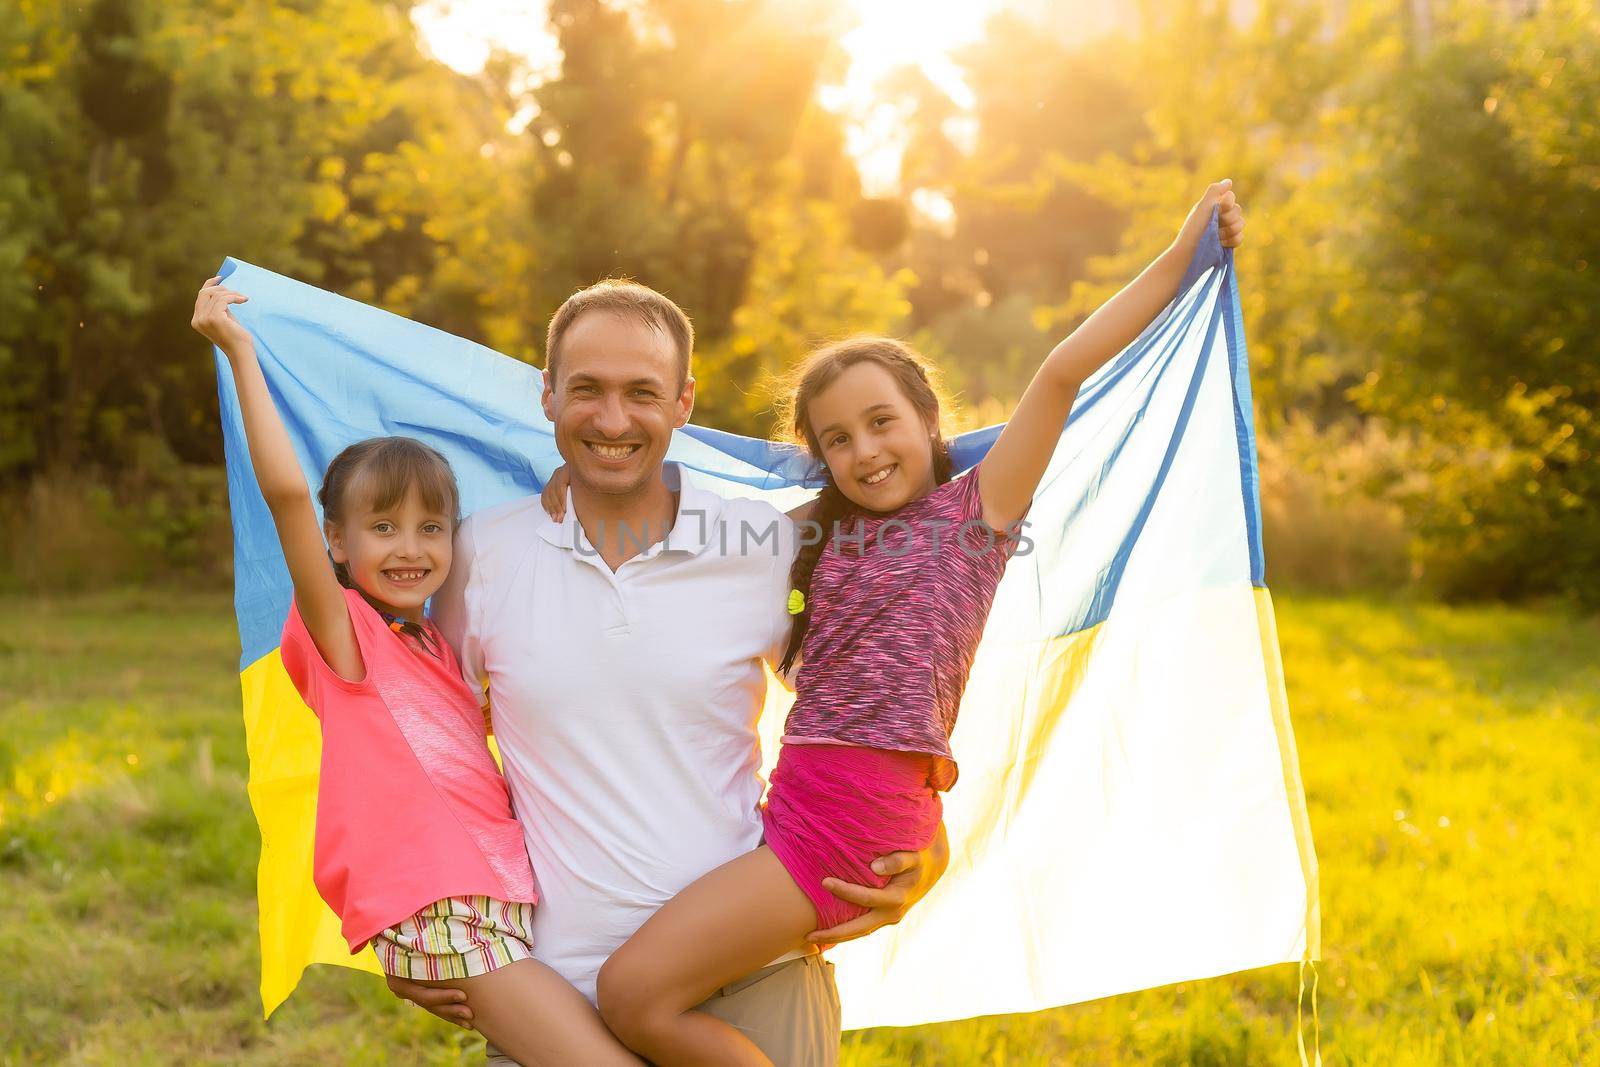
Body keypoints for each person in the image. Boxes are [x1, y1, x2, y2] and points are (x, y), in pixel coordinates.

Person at [563, 181, 1247, 1066]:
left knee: (630, 994)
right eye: (837, 439)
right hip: (806, 804)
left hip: (849, 822)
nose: (864, 451)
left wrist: (1184, 253)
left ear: (930, 420)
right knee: (639, 990)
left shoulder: (976, 517)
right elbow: (679, 497)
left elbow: (1063, 371)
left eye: (882, 422)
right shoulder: (819, 532)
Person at [387, 279, 951, 1065]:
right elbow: (424, 758)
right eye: (586, 389)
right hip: (553, 1003)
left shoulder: (767, 543)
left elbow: (888, 687)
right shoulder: (478, 554)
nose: (613, 419)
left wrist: (923, 842)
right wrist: (417, 923)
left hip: (753, 986)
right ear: (547, 395)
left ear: (683, 402)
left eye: (641, 392)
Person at [190, 280, 641, 1066]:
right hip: (443, 907)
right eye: (382, 526)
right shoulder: (346, 636)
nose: (409, 547)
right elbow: (289, 494)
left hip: (500, 899)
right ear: (337, 542)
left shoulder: (437, 643)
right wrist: (239, 355)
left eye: (431, 526)